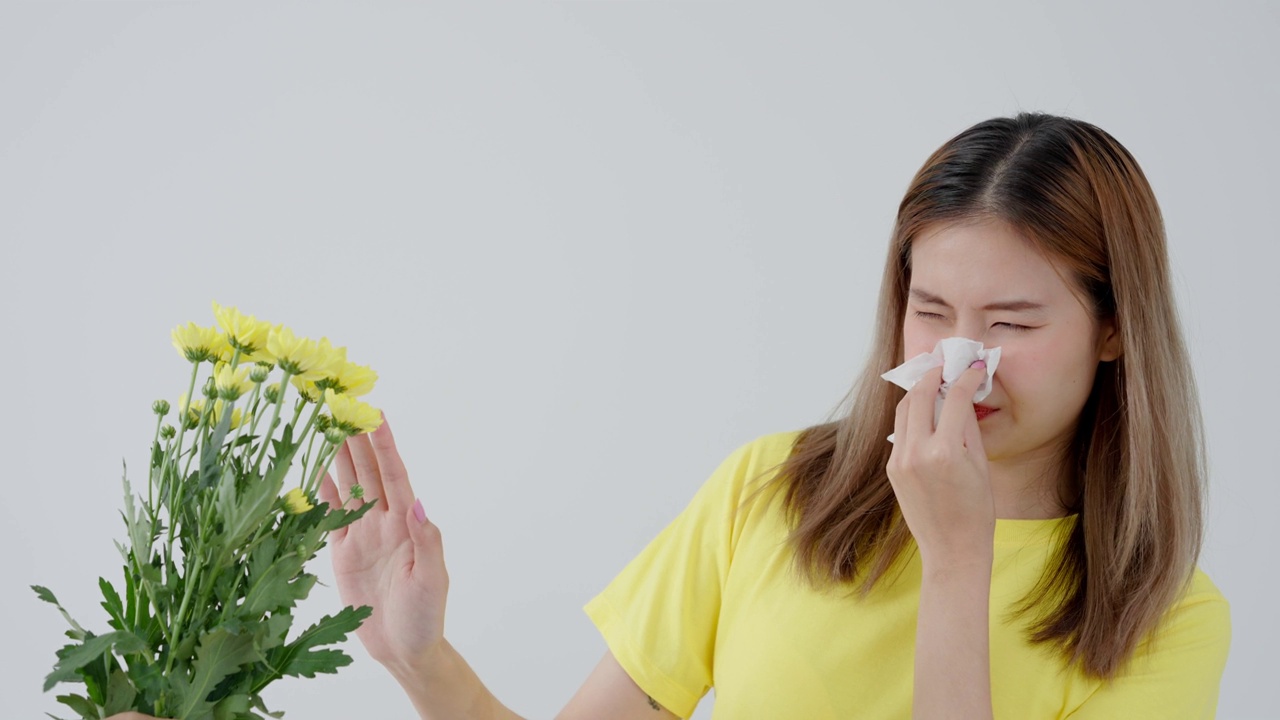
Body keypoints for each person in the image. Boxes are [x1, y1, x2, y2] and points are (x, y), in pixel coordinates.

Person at [106, 112, 1231, 720]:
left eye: (1011, 322)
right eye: (929, 311)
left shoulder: (1166, 618)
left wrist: (953, 562)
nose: (958, 363)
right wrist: (420, 660)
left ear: (1109, 327)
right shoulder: (770, 491)